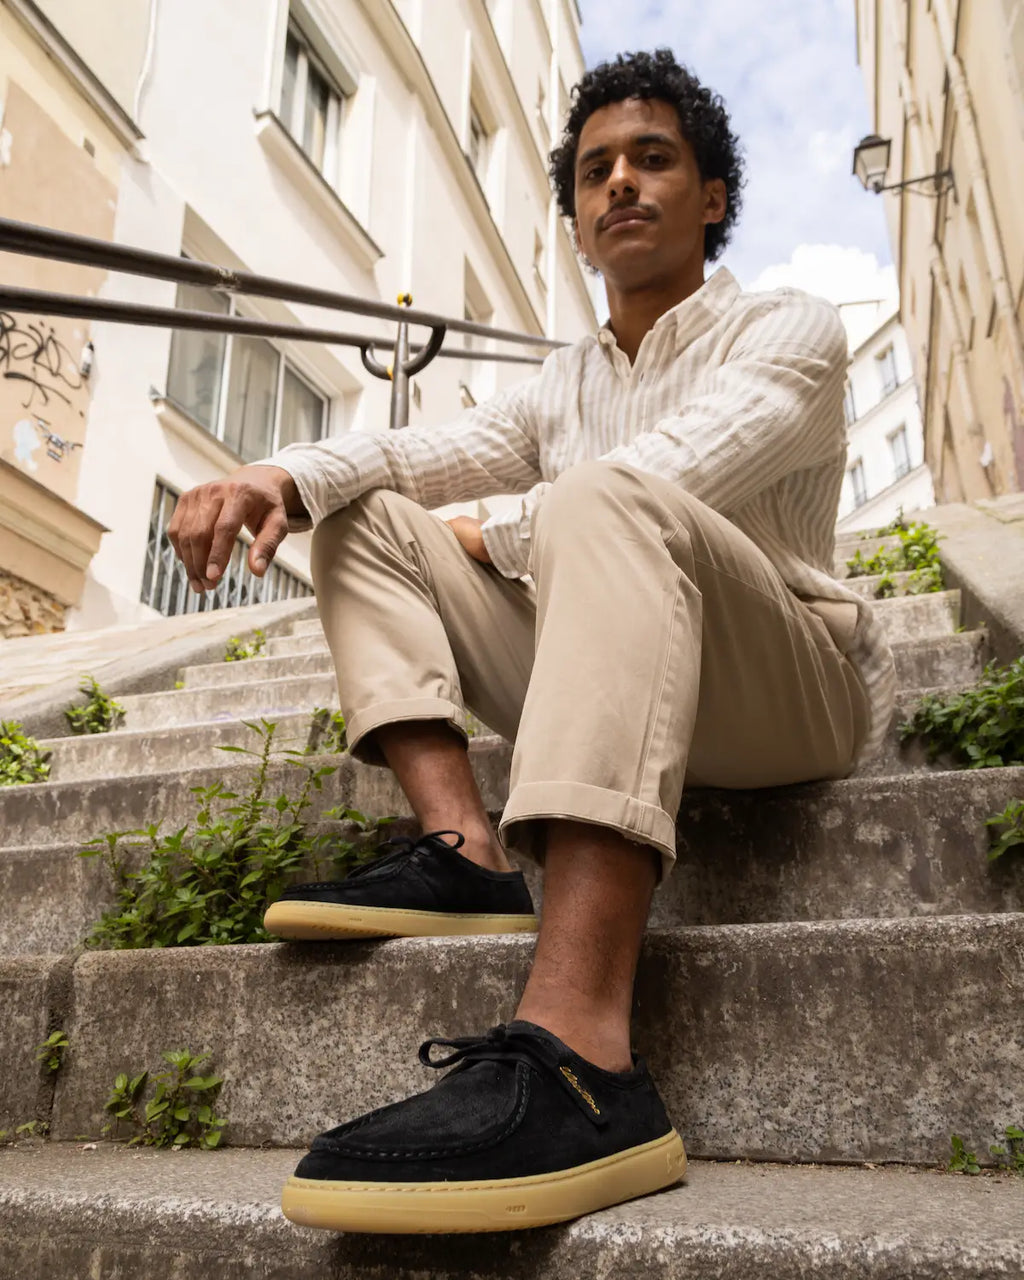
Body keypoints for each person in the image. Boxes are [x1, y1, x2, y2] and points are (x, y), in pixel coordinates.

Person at [169, 49, 895, 1234]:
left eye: (652, 159)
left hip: (784, 693)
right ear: (574, 217)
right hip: (620, 670)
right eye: (595, 169)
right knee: (364, 514)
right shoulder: (561, 386)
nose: (620, 184)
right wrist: (281, 475)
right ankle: (465, 850)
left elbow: (669, 475)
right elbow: (408, 456)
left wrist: (498, 526)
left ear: (711, 195)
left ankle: (585, 1060)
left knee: (603, 497)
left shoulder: (788, 329)